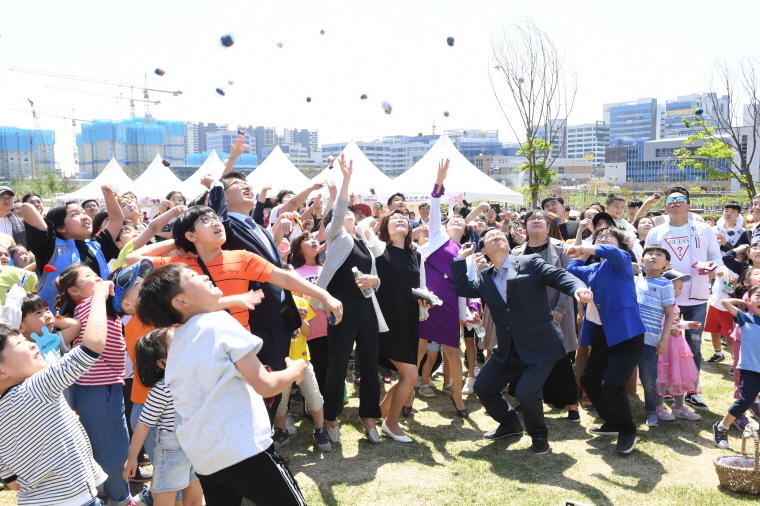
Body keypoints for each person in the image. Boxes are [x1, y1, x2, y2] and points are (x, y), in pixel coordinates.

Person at [136, 263, 309, 506]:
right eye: (192, 275)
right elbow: (266, 385)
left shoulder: (178, 345)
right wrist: (295, 370)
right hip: (245, 449)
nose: (203, 275)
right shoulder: (218, 322)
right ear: (181, 302)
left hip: (205, 459)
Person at [453, 227, 591, 454]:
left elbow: (560, 276)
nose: (495, 236)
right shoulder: (485, 278)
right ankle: (510, 425)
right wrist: (460, 258)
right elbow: (463, 287)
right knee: (484, 387)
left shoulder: (530, 262)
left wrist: (579, 288)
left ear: (508, 245)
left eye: (499, 235)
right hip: (509, 347)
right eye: (489, 237)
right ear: (484, 250)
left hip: (542, 344)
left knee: (526, 392)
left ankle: (538, 436)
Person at [207, 164, 318, 419]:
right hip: (253, 318)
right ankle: (257, 446)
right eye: (237, 185)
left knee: (274, 384)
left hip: (276, 317)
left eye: (249, 185)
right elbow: (216, 210)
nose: (247, 187)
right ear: (223, 197)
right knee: (258, 388)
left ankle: (266, 441)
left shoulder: (256, 226)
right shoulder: (226, 227)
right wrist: (217, 182)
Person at [0, 280, 113, 506]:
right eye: (21, 343)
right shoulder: (37, 388)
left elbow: (8, 472)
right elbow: (92, 346)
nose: (32, 344)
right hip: (76, 499)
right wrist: (99, 297)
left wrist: (11, 477)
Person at [310, 155, 384, 444]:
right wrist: (346, 181)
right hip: (339, 306)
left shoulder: (366, 242)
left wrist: (375, 280)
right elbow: (339, 210)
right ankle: (331, 419)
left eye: (355, 212)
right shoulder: (338, 236)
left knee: (369, 364)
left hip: (366, 306)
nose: (352, 213)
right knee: (338, 363)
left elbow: (377, 277)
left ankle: (369, 418)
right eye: (347, 213)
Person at [54, 265, 134, 505]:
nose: (97, 278)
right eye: (88, 277)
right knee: (113, 447)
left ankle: (111, 493)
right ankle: (121, 498)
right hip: (99, 387)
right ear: (74, 291)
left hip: (101, 385)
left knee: (106, 442)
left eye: (95, 273)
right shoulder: (92, 304)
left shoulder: (94, 304)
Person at [645, 186, 729, 411]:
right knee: (663, 346)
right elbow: (648, 260)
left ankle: (691, 391)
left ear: (688, 205)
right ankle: (664, 391)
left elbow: (715, 257)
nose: (675, 202)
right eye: (670, 199)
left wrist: (716, 270)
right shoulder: (657, 231)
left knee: (693, 345)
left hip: (697, 297)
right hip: (664, 297)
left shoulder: (703, 229)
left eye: (680, 199)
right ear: (665, 206)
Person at [566, 227, 647, 454]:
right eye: (598, 237)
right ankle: (612, 422)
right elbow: (572, 268)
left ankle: (627, 430)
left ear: (619, 244)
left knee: (611, 384)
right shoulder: (594, 268)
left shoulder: (621, 260)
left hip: (626, 334)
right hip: (602, 336)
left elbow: (610, 250)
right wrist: (581, 253)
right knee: (589, 379)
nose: (602, 240)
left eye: (607, 237)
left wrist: (582, 246)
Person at [413, 159, 470, 418]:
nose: (457, 221)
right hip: (425, 301)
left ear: (466, 229)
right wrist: (439, 181)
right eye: (453, 219)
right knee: (418, 348)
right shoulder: (437, 237)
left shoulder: (466, 252)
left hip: (449, 304)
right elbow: (435, 205)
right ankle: (408, 394)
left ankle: (458, 396)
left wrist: (472, 309)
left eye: (461, 221)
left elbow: (469, 287)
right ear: (445, 225)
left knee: (452, 351)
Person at [513, 209, 581, 422]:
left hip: (557, 312)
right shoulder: (516, 252)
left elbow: (568, 280)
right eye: (530, 219)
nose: (535, 221)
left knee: (562, 359)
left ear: (548, 225)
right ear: (524, 226)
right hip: (527, 315)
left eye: (539, 218)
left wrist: (560, 308)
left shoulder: (561, 249)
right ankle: (532, 401)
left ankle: (572, 406)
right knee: (531, 360)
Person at [123, 327, 203, 506]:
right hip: (172, 453)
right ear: (162, 362)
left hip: (191, 447)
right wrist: (133, 457)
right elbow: (143, 424)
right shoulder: (162, 390)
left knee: (194, 497)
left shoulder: (191, 377)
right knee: (167, 499)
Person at [20, 185, 124, 310]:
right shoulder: (50, 248)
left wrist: (108, 195)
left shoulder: (97, 247)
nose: (85, 216)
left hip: (97, 318)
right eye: (75, 214)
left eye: (84, 213)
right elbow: (26, 207)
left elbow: (117, 219)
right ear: (60, 227)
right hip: (57, 324)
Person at [376, 210, 429, 441]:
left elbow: (421, 286)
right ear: (384, 225)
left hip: (408, 318)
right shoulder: (376, 250)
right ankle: (391, 422)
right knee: (410, 375)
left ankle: (379, 413)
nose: (401, 221)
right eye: (394, 219)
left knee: (405, 375)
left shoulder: (416, 255)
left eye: (405, 220)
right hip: (385, 319)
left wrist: (426, 299)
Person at [271, 292, 331, 453]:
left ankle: (320, 430)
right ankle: (280, 432)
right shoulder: (270, 304)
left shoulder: (299, 301)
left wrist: (300, 320)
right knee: (280, 401)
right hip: (280, 362)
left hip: (302, 360)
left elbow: (309, 331)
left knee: (314, 396)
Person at [634, 245, 676, 427]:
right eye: (649, 254)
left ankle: (651, 411)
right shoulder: (635, 281)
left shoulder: (666, 284)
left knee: (649, 379)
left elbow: (669, 314)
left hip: (650, 341)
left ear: (666, 264)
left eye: (659, 255)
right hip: (629, 338)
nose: (653, 256)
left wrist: (664, 340)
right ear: (642, 260)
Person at [714, 288, 760, 449]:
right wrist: (741, 302)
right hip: (750, 369)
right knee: (745, 400)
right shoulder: (745, 318)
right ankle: (721, 427)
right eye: (758, 296)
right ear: (750, 300)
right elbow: (725, 302)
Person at [657, 269, 702, 421]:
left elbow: (675, 321)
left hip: (677, 346)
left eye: (680, 288)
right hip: (663, 345)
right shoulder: (658, 302)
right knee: (661, 376)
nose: (677, 291)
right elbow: (660, 323)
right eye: (674, 287)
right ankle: (658, 407)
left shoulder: (674, 304)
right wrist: (671, 330)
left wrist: (688, 324)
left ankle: (679, 407)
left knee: (679, 374)